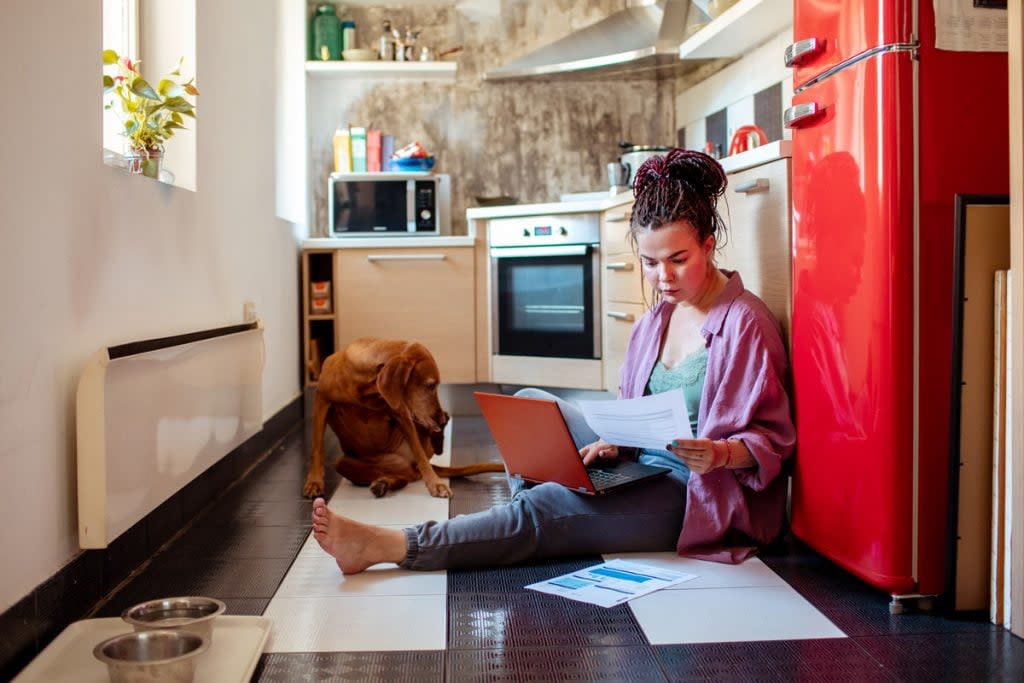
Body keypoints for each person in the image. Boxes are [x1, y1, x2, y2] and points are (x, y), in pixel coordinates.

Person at [311, 148, 795, 574]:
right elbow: (633, 412)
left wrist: (719, 454)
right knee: (530, 404)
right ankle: (553, 517)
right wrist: (611, 441)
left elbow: (774, 442)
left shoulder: (744, 323)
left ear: (709, 246)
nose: (662, 277)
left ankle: (391, 544)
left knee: (544, 506)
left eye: (678, 259)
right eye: (650, 263)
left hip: (692, 489)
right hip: (638, 461)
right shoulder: (657, 319)